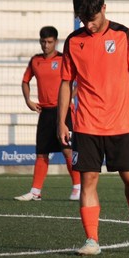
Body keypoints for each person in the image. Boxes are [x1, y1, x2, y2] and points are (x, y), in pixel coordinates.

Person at [57, 0, 129, 255]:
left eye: (92, 19)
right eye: (82, 20)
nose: (88, 25)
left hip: (120, 124)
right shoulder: (73, 41)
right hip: (85, 124)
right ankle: (92, 240)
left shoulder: (124, 36)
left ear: (104, 8)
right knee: (88, 180)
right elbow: (66, 82)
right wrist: (61, 121)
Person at [15, 26, 81, 202]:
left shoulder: (63, 59)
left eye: (50, 42)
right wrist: (28, 100)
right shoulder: (35, 61)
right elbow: (25, 81)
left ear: (56, 42)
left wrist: (67, 101)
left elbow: (78, 81)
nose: (46, 45)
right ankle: (35, 191)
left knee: (67, 150)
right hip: (45, 112)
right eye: (43, 42)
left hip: (63, 111)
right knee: (42, 153)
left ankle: (77, 187)